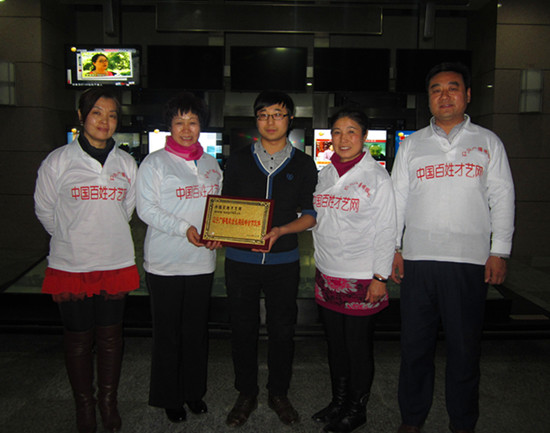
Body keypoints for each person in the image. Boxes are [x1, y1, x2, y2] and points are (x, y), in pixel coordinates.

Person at [391, 62, 515, 433]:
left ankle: (462, 423)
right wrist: (393, 248)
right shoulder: (412, 144)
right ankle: (412, 419)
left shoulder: (488, 142)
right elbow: (397, 201)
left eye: (453, 88)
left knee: (464, 349)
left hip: (468, 261)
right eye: (436, 89)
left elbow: (502, 197)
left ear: (468, 95)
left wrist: (500, 250)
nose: (444, 96)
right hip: (418, 260)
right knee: (415, 348)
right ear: (428, 98)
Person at [34, 88, 140, 433]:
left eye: (112, 115)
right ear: (81, 117)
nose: (105, 121)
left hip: (114, 261)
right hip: (72, 264)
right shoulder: (58, 161)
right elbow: (45, 211)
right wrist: (73, 236)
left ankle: (108, 402)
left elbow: (126, 210)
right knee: (78, 341)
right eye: (97, 113)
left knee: (111, 339)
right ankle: (84, 405)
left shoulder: (126, 163)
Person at [222, 90, 318, 427]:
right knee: (242, 329)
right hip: (240, 261)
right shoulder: (237, 160)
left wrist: (282, 230)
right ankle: (246, 392)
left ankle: (279, 392)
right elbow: (226, 208)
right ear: (256, 120)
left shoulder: (304, 164)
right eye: (263, 115)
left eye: (278, 114)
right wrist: (219, 229)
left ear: (290, 119)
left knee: (282, 330)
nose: (270, 121)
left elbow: (311, 216)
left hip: (283, 261)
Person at [135, 92, 223, 424]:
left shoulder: (211, 164)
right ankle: (168, 396)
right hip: (165, 262)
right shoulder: (154, 163)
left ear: (201, 126)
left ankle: (193, 391)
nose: (186, 129)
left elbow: (218, 207)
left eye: (193, 122)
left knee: (196, 331)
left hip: (201, 262)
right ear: (169, 126)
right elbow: (146, 209)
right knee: (168, 333)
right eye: (179, 122)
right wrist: (184, 228)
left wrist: (218, 231)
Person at [311, 108, 396, 433]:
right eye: (336, 131)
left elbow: (387, 229)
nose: (343, 138)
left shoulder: (377, 177)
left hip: (362, 278)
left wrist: (380, 277)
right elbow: (319, 219)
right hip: (327, 273)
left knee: (357, 347)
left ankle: (357, 408)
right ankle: (339, 402)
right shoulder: (325, 174)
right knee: (335, 345)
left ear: (364, 137)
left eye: (351, 131)